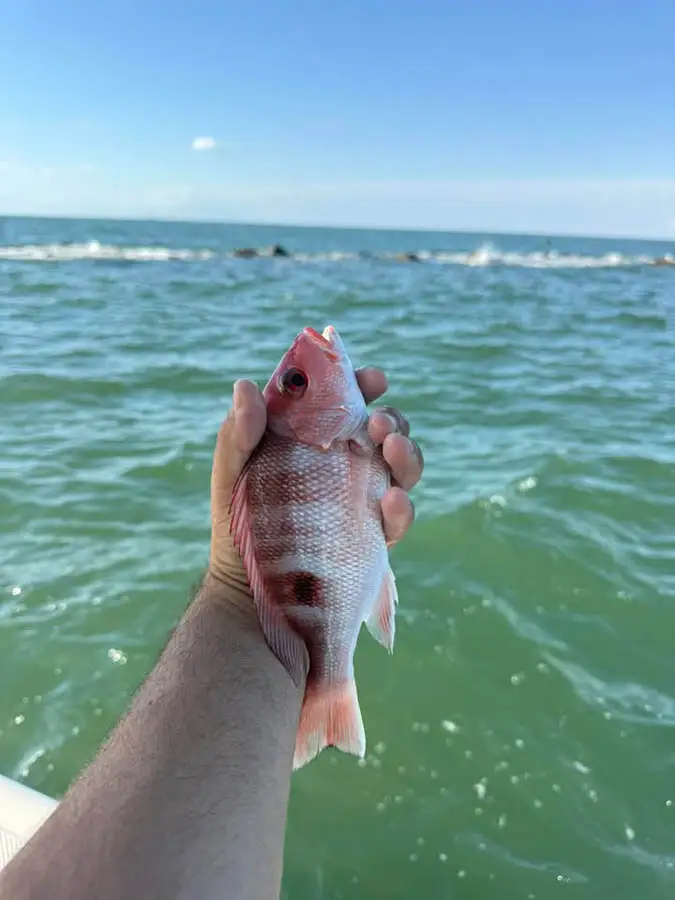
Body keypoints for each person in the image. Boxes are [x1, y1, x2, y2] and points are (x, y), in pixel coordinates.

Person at [0, 368, 423, 900]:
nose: (306, 368)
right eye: (297, 380)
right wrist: (243, 590)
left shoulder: (338, 431)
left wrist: (245, 597)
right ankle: (331, 686)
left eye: (293, 381)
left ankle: (328, 684)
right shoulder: (335, 432)